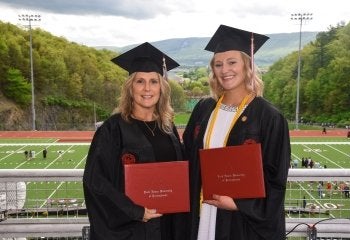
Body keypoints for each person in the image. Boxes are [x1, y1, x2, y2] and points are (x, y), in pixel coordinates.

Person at [183, 25, 290, 240]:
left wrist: (239, 204)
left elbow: (276, 176)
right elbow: (186, 157)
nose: (225, 70)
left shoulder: (268, 116)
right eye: (218, 64)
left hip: (241, 220)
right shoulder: (204, 109)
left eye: (232, 62)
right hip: (203, 210)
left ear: (247, 65)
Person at [83, 42, 186, 240]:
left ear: (162, 87)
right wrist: (135, 211)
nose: (147, 88)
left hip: (169, 225)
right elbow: (95, 181)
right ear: (130, 88)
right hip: (134, 229)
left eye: (154, 81)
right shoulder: (113, 129)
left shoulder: (167, 127)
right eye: (140, 81)